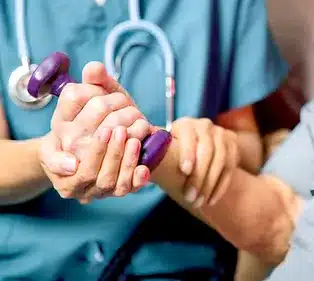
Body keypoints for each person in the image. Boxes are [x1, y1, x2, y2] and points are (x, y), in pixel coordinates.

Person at [0, 0, 288, 280]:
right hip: (31, 261)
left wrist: (210, 146)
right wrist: (50, 156)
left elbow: (249, 150)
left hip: (172, 258)